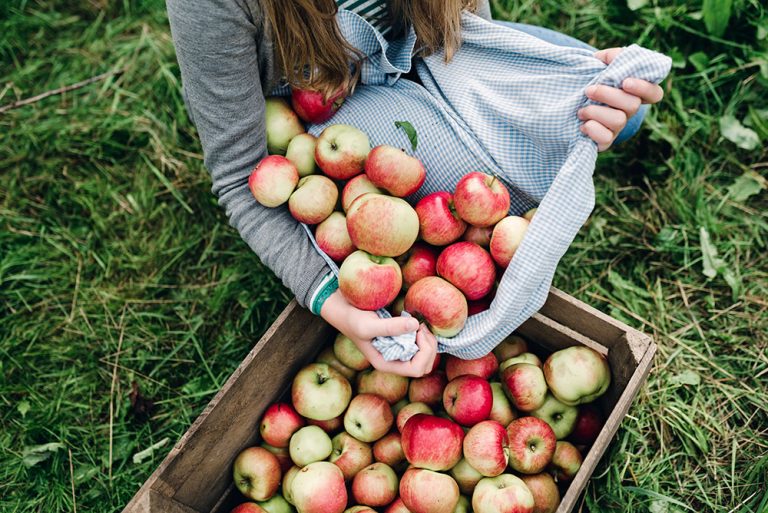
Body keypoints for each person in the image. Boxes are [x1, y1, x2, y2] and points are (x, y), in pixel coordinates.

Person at [166, 0, 664, 377]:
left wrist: (546, 79)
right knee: (467, 217)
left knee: (620, 109)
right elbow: (238, 178)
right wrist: (336, 305)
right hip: (330, 109)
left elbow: (462, 24)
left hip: (424, 50)